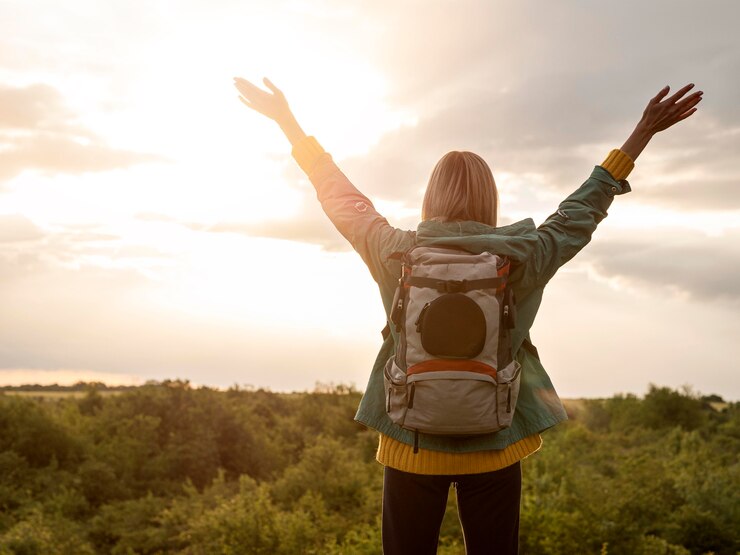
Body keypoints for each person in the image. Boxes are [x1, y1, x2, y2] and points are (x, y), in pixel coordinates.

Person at [232, 76, 702, 554]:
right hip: (495, 440)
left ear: (429, 197)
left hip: (409, 440)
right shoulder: (527, 254)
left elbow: (342, 198)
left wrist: (288, 124)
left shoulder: (394, 250)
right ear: (490, 198)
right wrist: (642, 132)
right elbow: (583, 207)